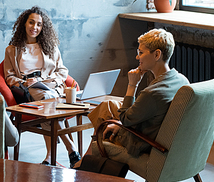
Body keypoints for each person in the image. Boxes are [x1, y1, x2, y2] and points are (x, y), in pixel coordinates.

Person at [78, 28, 190, 166]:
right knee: (109, 105)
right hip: (157, 132)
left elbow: (125, 119)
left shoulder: (152, 93)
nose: (137, 57)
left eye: (141, 53)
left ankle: (85, 162)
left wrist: (132, 85)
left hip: (141, 141)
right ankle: (86, 160)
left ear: (157, 55)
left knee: (103, 116)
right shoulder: (182, 80)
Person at [3, 6, 80, 168]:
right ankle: (71, 148)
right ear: (24, 24)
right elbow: (9, 77)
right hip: (27, 91)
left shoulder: (50, 47)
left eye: (39, 24)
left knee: (47, 100)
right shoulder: (12, 50)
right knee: (46, 99)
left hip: (50, 88)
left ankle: (50, 156)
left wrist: (46, 83)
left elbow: (62, 71)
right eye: (31, 23)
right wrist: (24, 83)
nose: (35, 27)